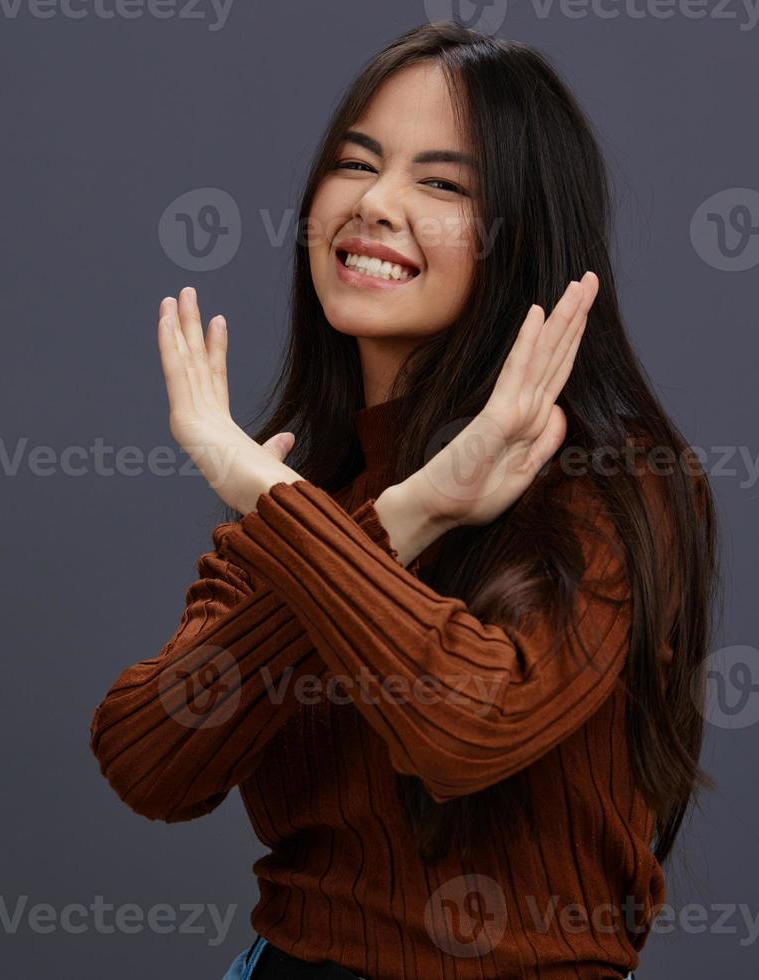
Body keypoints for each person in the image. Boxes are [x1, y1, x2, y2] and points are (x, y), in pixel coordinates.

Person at [90, 21, 720, 979]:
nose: (375, 203)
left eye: (442, 183)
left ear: (523, 235)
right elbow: (150, 761)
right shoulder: (313, 501)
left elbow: (466, 730)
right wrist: (408, 511)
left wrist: (265, 488)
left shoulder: (616, 486)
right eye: (356, 163)